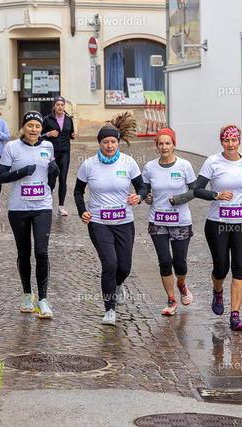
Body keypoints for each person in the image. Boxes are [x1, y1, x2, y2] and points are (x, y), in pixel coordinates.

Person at [74, 112, 147, 326]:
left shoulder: (128, 162)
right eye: (105, 142)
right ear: (99, 143)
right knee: (110, 264)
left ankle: (118, 284)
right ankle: (109, 310)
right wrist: (82, 211)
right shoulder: (89, 165)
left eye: (113, 142)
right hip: (99, 222)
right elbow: (78, 191)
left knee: (124, 267)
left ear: (118, 142)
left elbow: (142, 187)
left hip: (124, 222)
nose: (109, 145)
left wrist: (139, 197)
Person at [193, 124, 242, 331]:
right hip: (217, 224)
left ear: (239, 141)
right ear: (221, 142)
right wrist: (216, 195)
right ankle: (218, 291)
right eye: (226, 140)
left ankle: (235, 315)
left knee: (240, 267)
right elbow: (197, 189)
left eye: (234, 140)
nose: (231, 144)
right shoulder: (212, 162)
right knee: (221, 268)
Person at [0, 111, 60, 319]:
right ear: (23, 127)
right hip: (19, 208)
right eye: (30, 125)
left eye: (37, 126)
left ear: (41, 129)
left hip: (43, 206)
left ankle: (43, 300)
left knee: (42, 252)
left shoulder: (48, 146)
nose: (33, 129)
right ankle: (27, 295)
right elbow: (0, 176)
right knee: (24, 253)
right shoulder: (11, 147)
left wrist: (54, 172)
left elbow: (50, 180)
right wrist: (22, 171)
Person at [142, 128, 195, 316]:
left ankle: (181, 284)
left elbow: (194, 190)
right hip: (157, 220)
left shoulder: (184, 165)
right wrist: (147, 197)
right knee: (165, 261)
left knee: (179, 263)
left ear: (174, 145)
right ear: (156, 146)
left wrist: (179, 199)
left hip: (180, 220)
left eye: (168, 143)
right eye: (161, 143)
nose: (164, 147)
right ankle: (171, 300)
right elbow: (144, 189)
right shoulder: (149, 167)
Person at [42, 96, 76, 216]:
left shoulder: (68, 120)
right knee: (51, 178)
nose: (60, 107)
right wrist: (49, 134)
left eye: (62, 105)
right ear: (54, 106)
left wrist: (73, 135)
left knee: (63, 179)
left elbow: (70, 133)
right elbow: (40, 135)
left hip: (65, 152)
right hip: (52, 152)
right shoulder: (47, 119)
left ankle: (61, 206)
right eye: (58, 105)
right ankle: (47, 202)